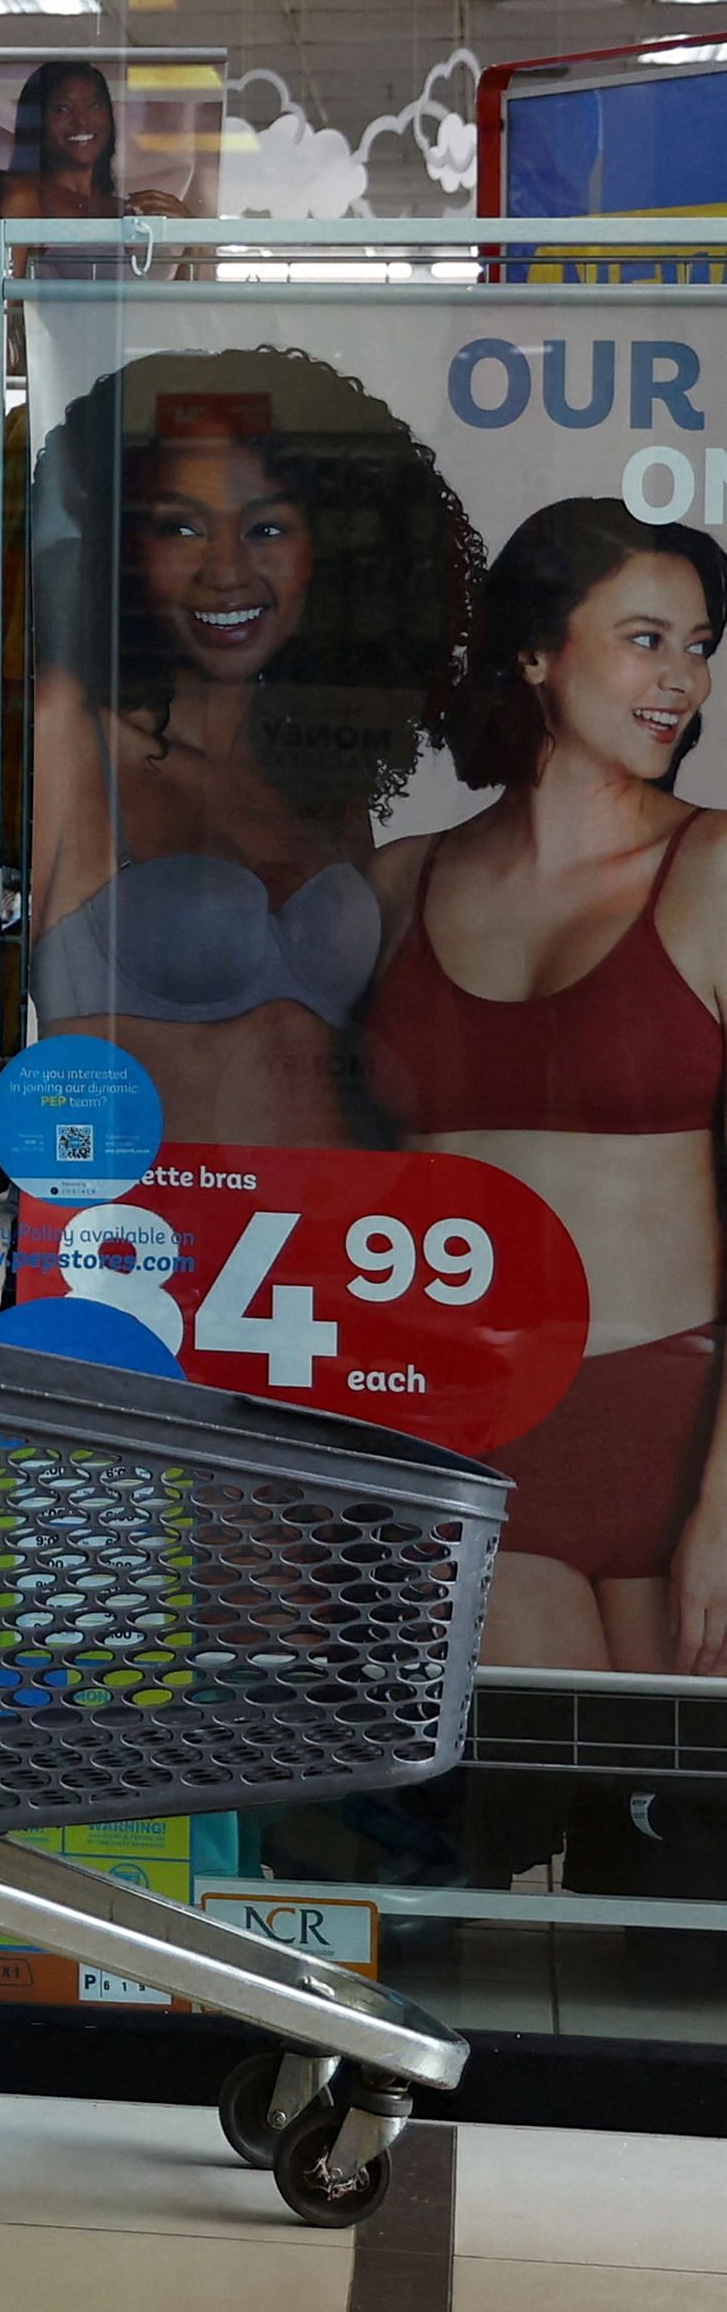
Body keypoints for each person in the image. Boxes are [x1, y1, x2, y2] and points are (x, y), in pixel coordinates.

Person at [362, 502, 727, 1677]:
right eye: (646, 637)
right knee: (526, 1824)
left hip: (680, 1440)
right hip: (460, 1431)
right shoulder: (395, 884)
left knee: (681, 1841)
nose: (683, 680)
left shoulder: (716, 868)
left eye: (701, 645)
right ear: (535, 652)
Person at [26, 348, 479, 1150]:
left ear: (330, 553)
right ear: (124, 550)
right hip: (143, 1247)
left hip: (337, 1248)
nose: (227, 571)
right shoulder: (69, 728)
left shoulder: (316, 773)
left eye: (267, 527)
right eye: (180, 527)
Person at [0, 58, 186, 225]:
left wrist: (192, 238)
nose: (82, 121)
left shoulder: (124, 211)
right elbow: (3, 270)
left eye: (94, 105)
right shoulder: (25, 199)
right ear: (36, 121)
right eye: (63, 109)